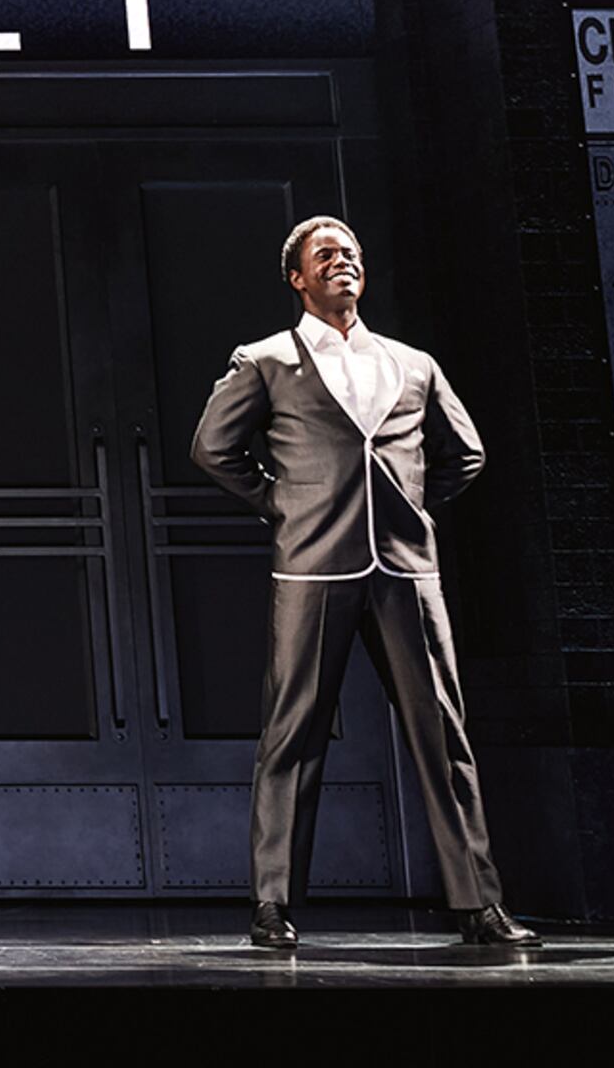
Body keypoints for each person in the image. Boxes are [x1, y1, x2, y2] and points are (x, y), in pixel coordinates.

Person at [191, 216, 536, 952]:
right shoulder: (266, 360)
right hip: (312, 567)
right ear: (297, 278)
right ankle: (273, 903)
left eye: (350, 253)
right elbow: (213, 447)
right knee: (293, 735)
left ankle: (480, 903)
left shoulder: (412, 363)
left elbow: (465, 453)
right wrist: (282, 503)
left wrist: (408, 509)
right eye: (325, 255)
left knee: (443, 736)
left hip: (407, 571)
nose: (341, 261)